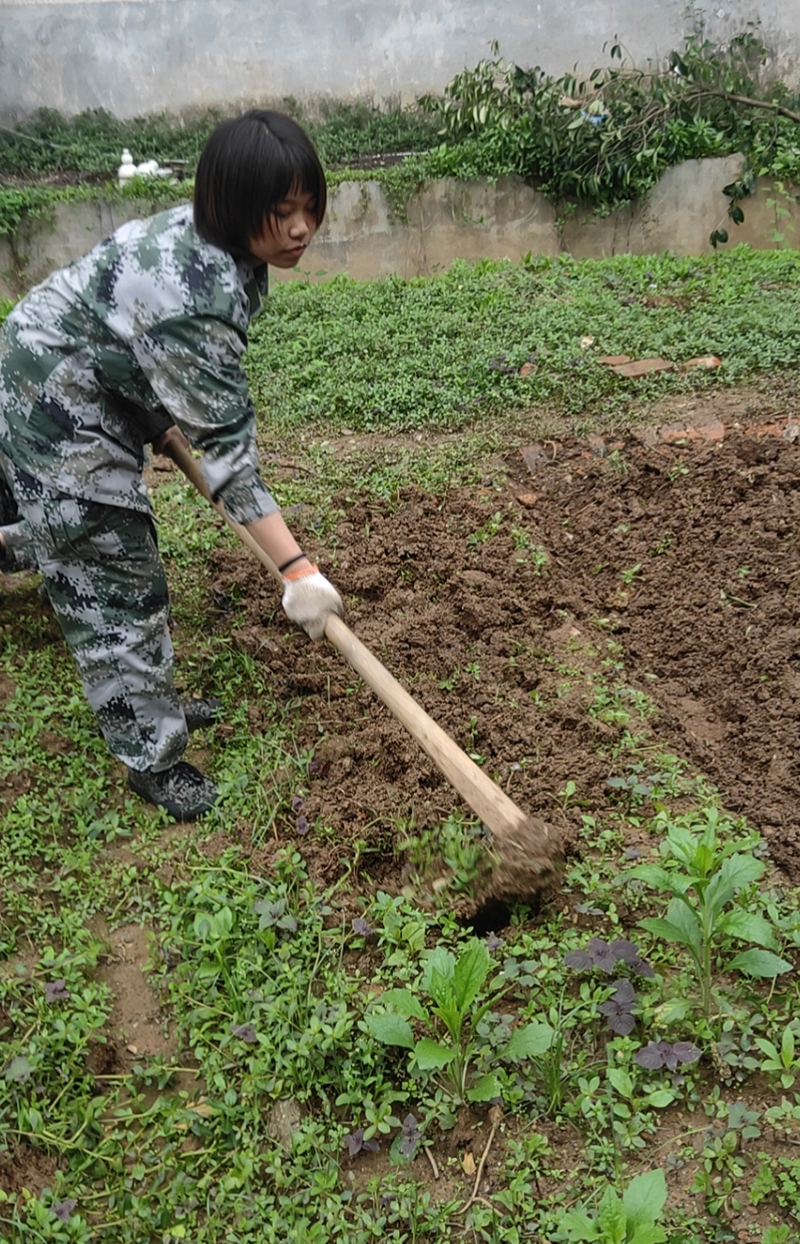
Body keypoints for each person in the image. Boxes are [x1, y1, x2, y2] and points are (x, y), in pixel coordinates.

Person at [0, 110, 344, 821]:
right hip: (51, 399)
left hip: (84, 370)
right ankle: (149, 754)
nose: (302, 228)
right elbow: (231, 461)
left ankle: (25, 546)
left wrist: (155, 416)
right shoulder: (195, 294)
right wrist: (297, 570)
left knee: (83, 536)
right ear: (233, 203)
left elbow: (129, 330)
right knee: (115, 576)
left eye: (311, 207)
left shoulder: (221, 245)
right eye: (282, 211)